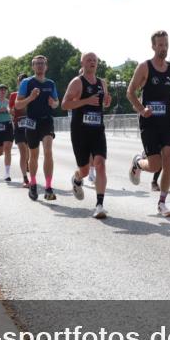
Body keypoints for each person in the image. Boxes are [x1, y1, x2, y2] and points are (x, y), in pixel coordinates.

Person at [126, 30, 170, 217]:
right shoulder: (144, 67)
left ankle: (162, 203)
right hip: (149, 122)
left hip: (166, 121)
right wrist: (141, 109)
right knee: (155, 165)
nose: (164, 48)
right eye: (160, 45)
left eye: (166, 44)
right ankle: (138, 163)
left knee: (169, 159)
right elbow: (130, 92)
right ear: (154, 46)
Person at [62, 52, 112, 218]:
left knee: (100, 164)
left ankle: (99, 205)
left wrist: (107, 101)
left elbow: (103, 102)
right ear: (82, 63)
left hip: (97, 129)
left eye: (94, 60)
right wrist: (86, 101)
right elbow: (64, 104)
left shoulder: (102, 83)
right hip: (80, 131)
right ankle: (77, 179)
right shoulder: (77, 82)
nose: (92, 62)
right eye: (88, 60)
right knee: (84, 170)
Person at [15, 55, 60, 201]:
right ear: (33, 66)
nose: (40, 66)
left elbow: (56, 103)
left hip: (46, 121)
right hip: (32, 121)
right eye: (37, 64)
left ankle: (48, 187)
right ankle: (33, 184)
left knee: (48, 151)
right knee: (33, 155)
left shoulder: (51, 83)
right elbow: (18, 105)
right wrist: (30, 98)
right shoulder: (26, 83)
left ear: (46, 67)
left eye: (42, 63)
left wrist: (53, 103)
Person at [10, 73, 31, 186]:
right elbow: (11, 110)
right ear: (18, 83)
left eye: (25, 81)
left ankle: (27, 165)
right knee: (23, 152)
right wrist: (13, 110)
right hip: (19, 126)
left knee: (29, 154)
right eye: (21, 81)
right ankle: (25, 178)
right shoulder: (14, 95)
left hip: (31, 127)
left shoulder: (32, 94)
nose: (23, 82)